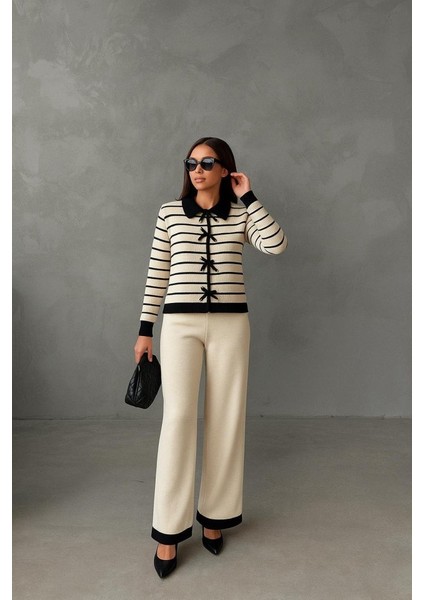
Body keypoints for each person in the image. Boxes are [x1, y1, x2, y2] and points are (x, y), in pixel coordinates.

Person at [134, 137, 288, 578]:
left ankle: (214, 515)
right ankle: (168, 530)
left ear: (225, 169)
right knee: (178, 418)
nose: (197, 170)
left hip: (231, 326)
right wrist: (145, 328)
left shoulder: (241, 213)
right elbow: (157, 272)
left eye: (207, 162)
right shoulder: (169, 213)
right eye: (191, 163)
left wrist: (249, 196)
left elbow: (276, 244)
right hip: (179, 325)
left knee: (226, 417)